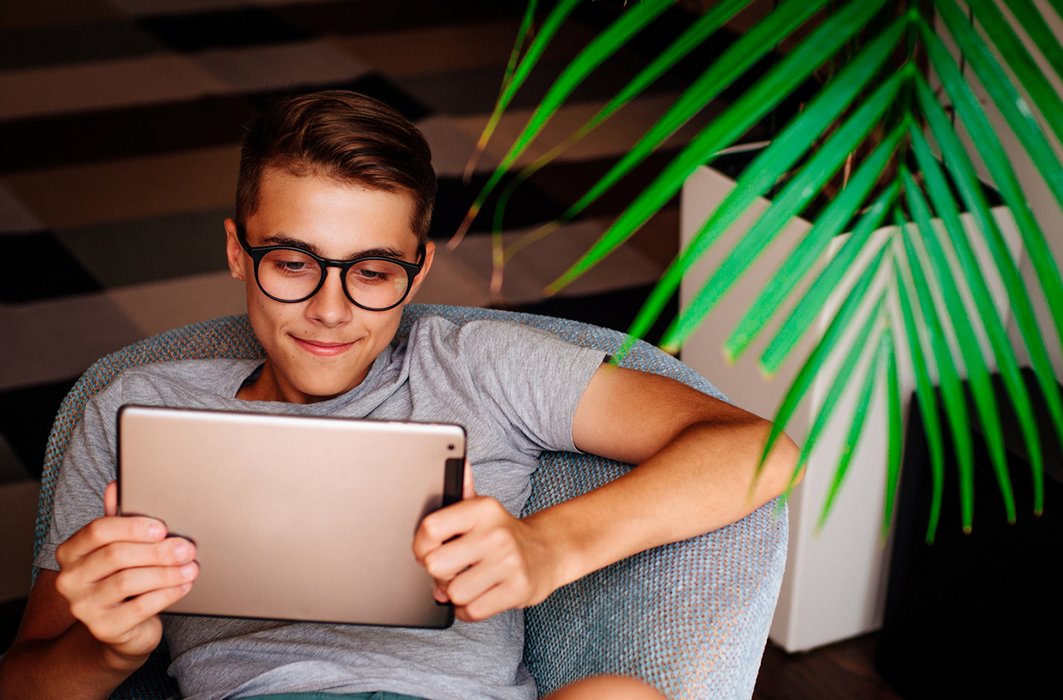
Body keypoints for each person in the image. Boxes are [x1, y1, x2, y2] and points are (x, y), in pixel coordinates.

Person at [0, 90, 800, 700]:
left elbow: (759, 451)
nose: (330, 308)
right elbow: (25, 681)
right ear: (238, 253)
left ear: (415, 272)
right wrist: (105, 651)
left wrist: (553, 547)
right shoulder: (137, 404)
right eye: (291, 262)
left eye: (373, 272)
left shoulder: (479, 365)